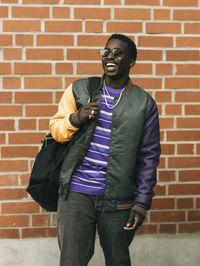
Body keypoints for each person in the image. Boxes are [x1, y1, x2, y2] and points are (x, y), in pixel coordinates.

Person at [49, 33, 161, 266]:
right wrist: (76, 118)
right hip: (76, 195)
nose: (110, 56)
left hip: (118, 200)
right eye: (106, 52)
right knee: (72, 261)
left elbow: (148, 157)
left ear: (131, 61)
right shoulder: (79, 89)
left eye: (118, 53)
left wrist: (141, 203)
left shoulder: (144, 104)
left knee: (118, 261)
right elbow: (56, 130)